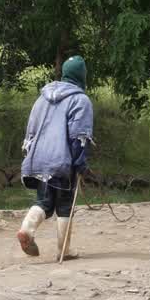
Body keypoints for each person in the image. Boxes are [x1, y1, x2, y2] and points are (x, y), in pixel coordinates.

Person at [16, 56, 94, 259]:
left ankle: (26, 229)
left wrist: (30, 156)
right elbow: (79, 136)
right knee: (65, 204)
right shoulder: (80, 100)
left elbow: (30, 133)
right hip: (62, 161)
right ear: (82, 76)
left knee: (44, 201)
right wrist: (80, 163)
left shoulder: (42, 98)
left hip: (38, 159)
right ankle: (63, 251)